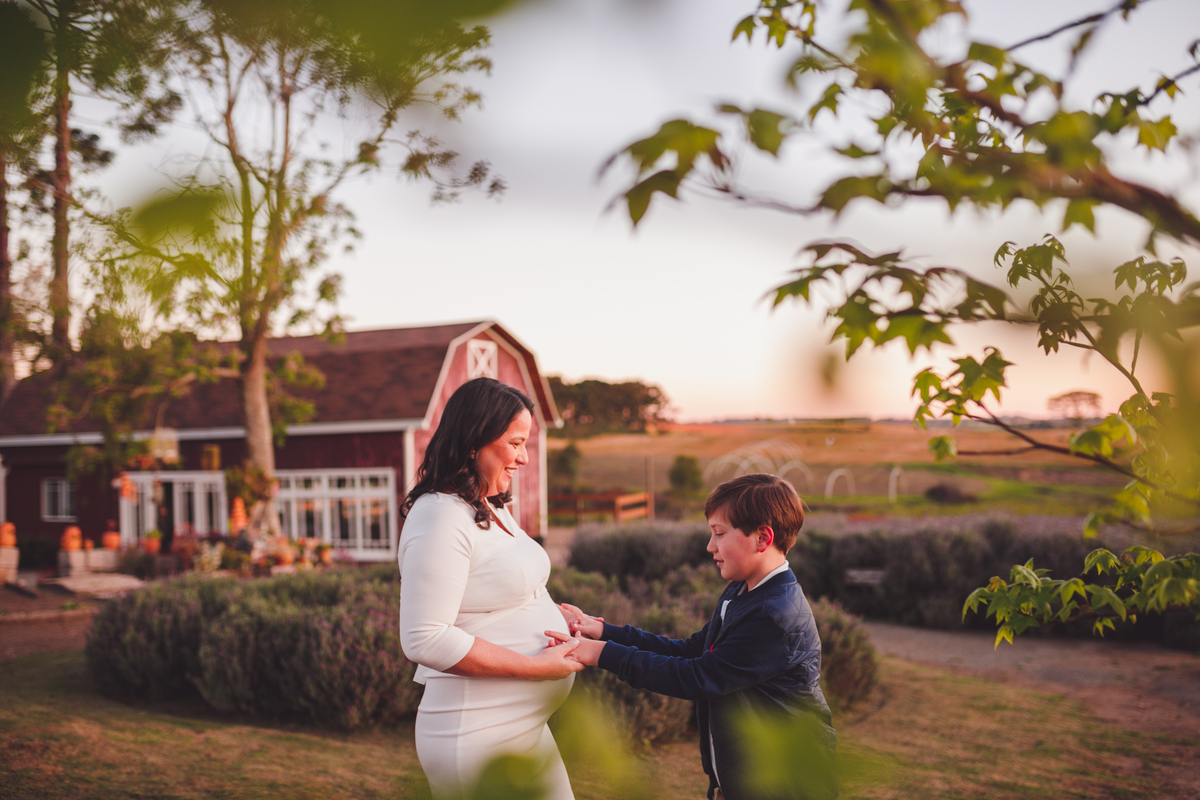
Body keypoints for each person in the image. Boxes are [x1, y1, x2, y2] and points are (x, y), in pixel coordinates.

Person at [549, 473, 837, 800]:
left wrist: (600, 653)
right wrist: (603, 631)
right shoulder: (743, 592)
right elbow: (692, 650)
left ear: (762, 538)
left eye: (719, 533)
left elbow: (696, 677)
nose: (710, 546)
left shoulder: (773, 616)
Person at [398, 377, 584, 800]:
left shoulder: (488, 505)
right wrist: (537, 668)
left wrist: (559, 614)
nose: (524, 457)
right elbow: (425, 637)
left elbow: (505, 588)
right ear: (473, 441)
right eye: (515, 443)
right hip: (477, 732)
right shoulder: (440, 516)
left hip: (524, 727)